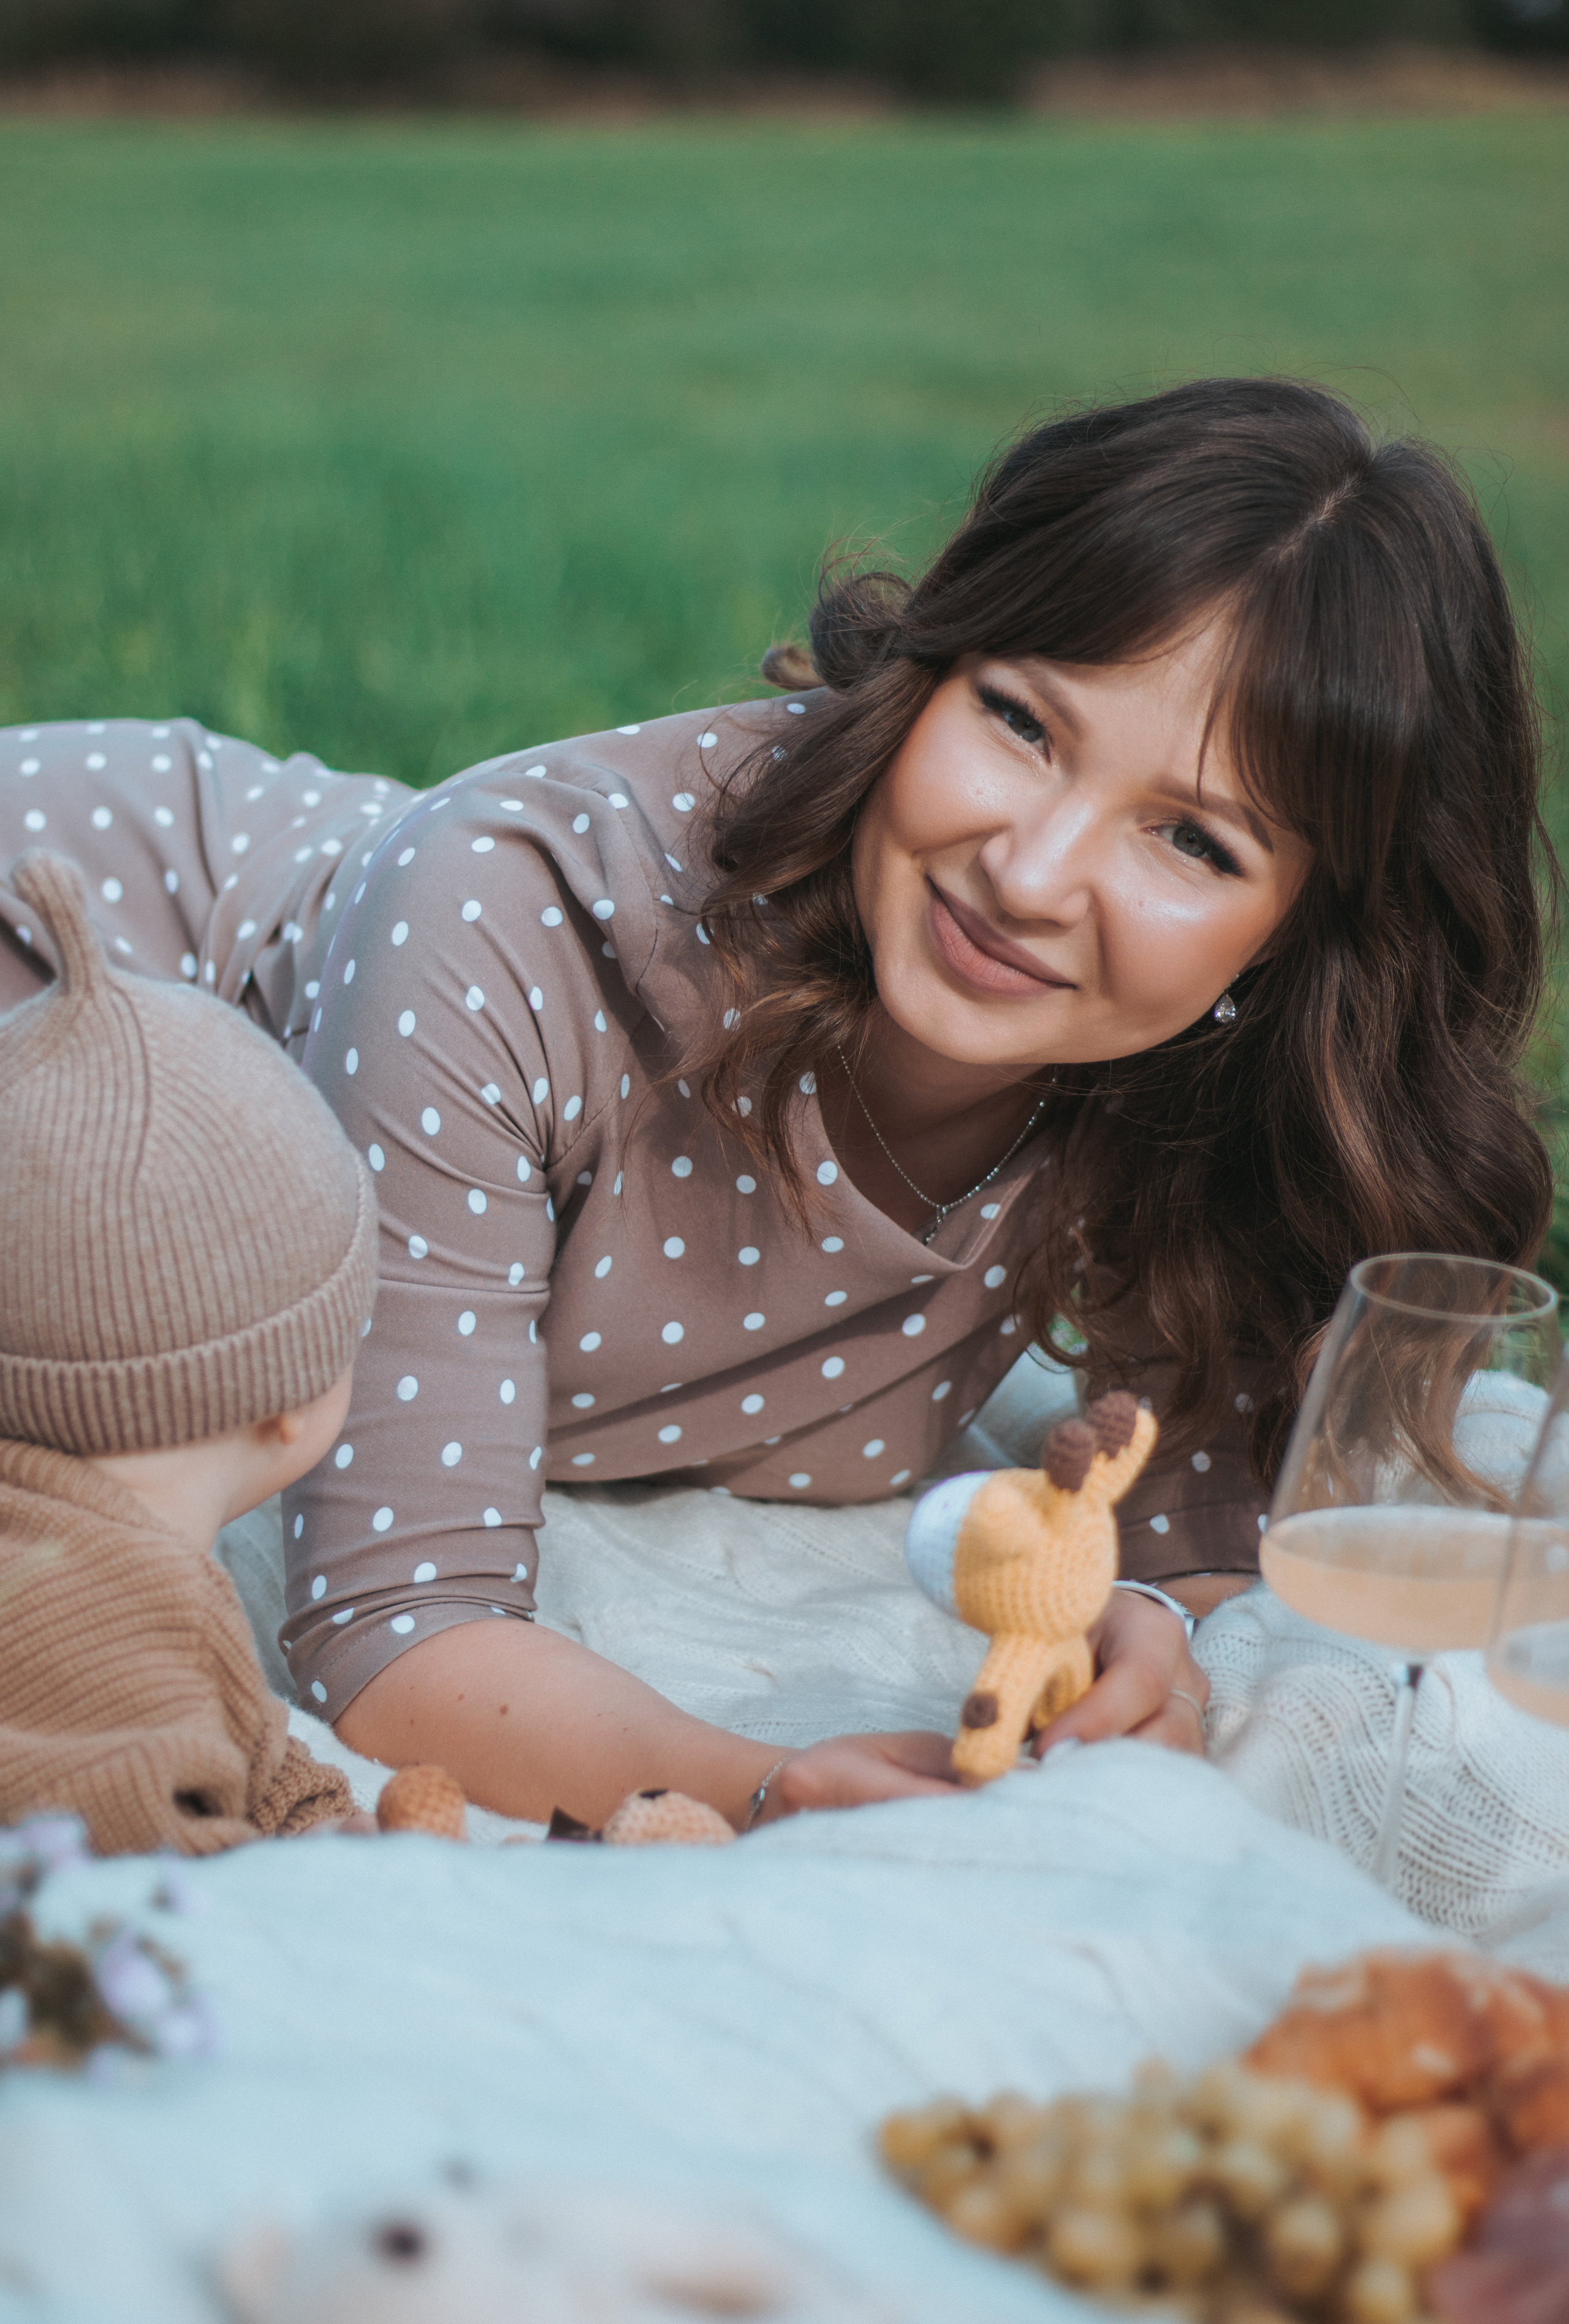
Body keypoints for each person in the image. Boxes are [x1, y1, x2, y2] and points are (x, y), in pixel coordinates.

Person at [0, 378, 1550, 1833]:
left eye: (1191, 842)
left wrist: (1153, 1645)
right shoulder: (511, 923)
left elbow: (1182, 1541)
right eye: (1019, 721)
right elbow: (397, 1632)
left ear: (1299, 938)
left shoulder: (1185, 1078)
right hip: (67, 950)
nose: (1029, 874)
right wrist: (765, 1788)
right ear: (925, 672)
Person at [0, 852, 376, 1855]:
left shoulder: (92, 1550)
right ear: (284, 1396)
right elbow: (141, 1855)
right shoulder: (123, 1617)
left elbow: (237, 1729)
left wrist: (318, 1817)